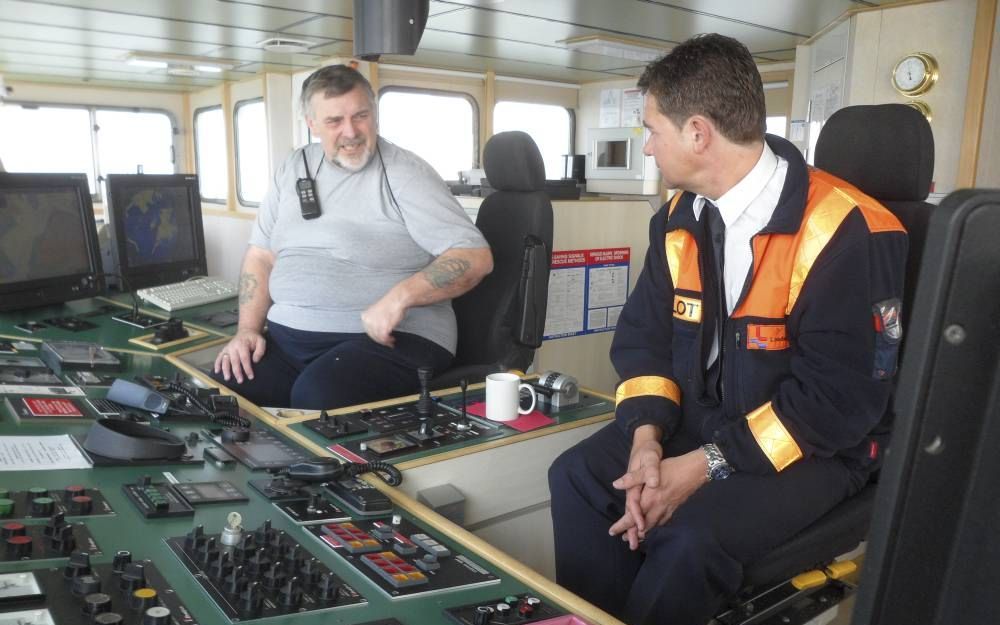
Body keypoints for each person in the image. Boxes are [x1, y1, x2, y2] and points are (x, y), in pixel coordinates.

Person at [548, 34, 907, 625]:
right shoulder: (675, 218)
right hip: (699, 420)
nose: (646, 147)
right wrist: (645, 440)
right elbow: (644, 341)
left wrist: (703, 464)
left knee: (687, 537)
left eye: (652, 129)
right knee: (578, 477)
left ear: (697, 133)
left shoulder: (849, 229)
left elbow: (837, 404)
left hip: (816, 447)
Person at [212, 64, 492, 409]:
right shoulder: (293, 168)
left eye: (360, 116)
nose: (351, 132)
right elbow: (261, 256)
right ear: (312, 124)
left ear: (374, 114)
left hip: (392, 339)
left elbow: (474, 255)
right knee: (223, 390)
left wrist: (399, 297)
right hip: (291, 342)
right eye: (334, 121)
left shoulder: (406, 174)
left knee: (316, 396)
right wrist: (247, 330)